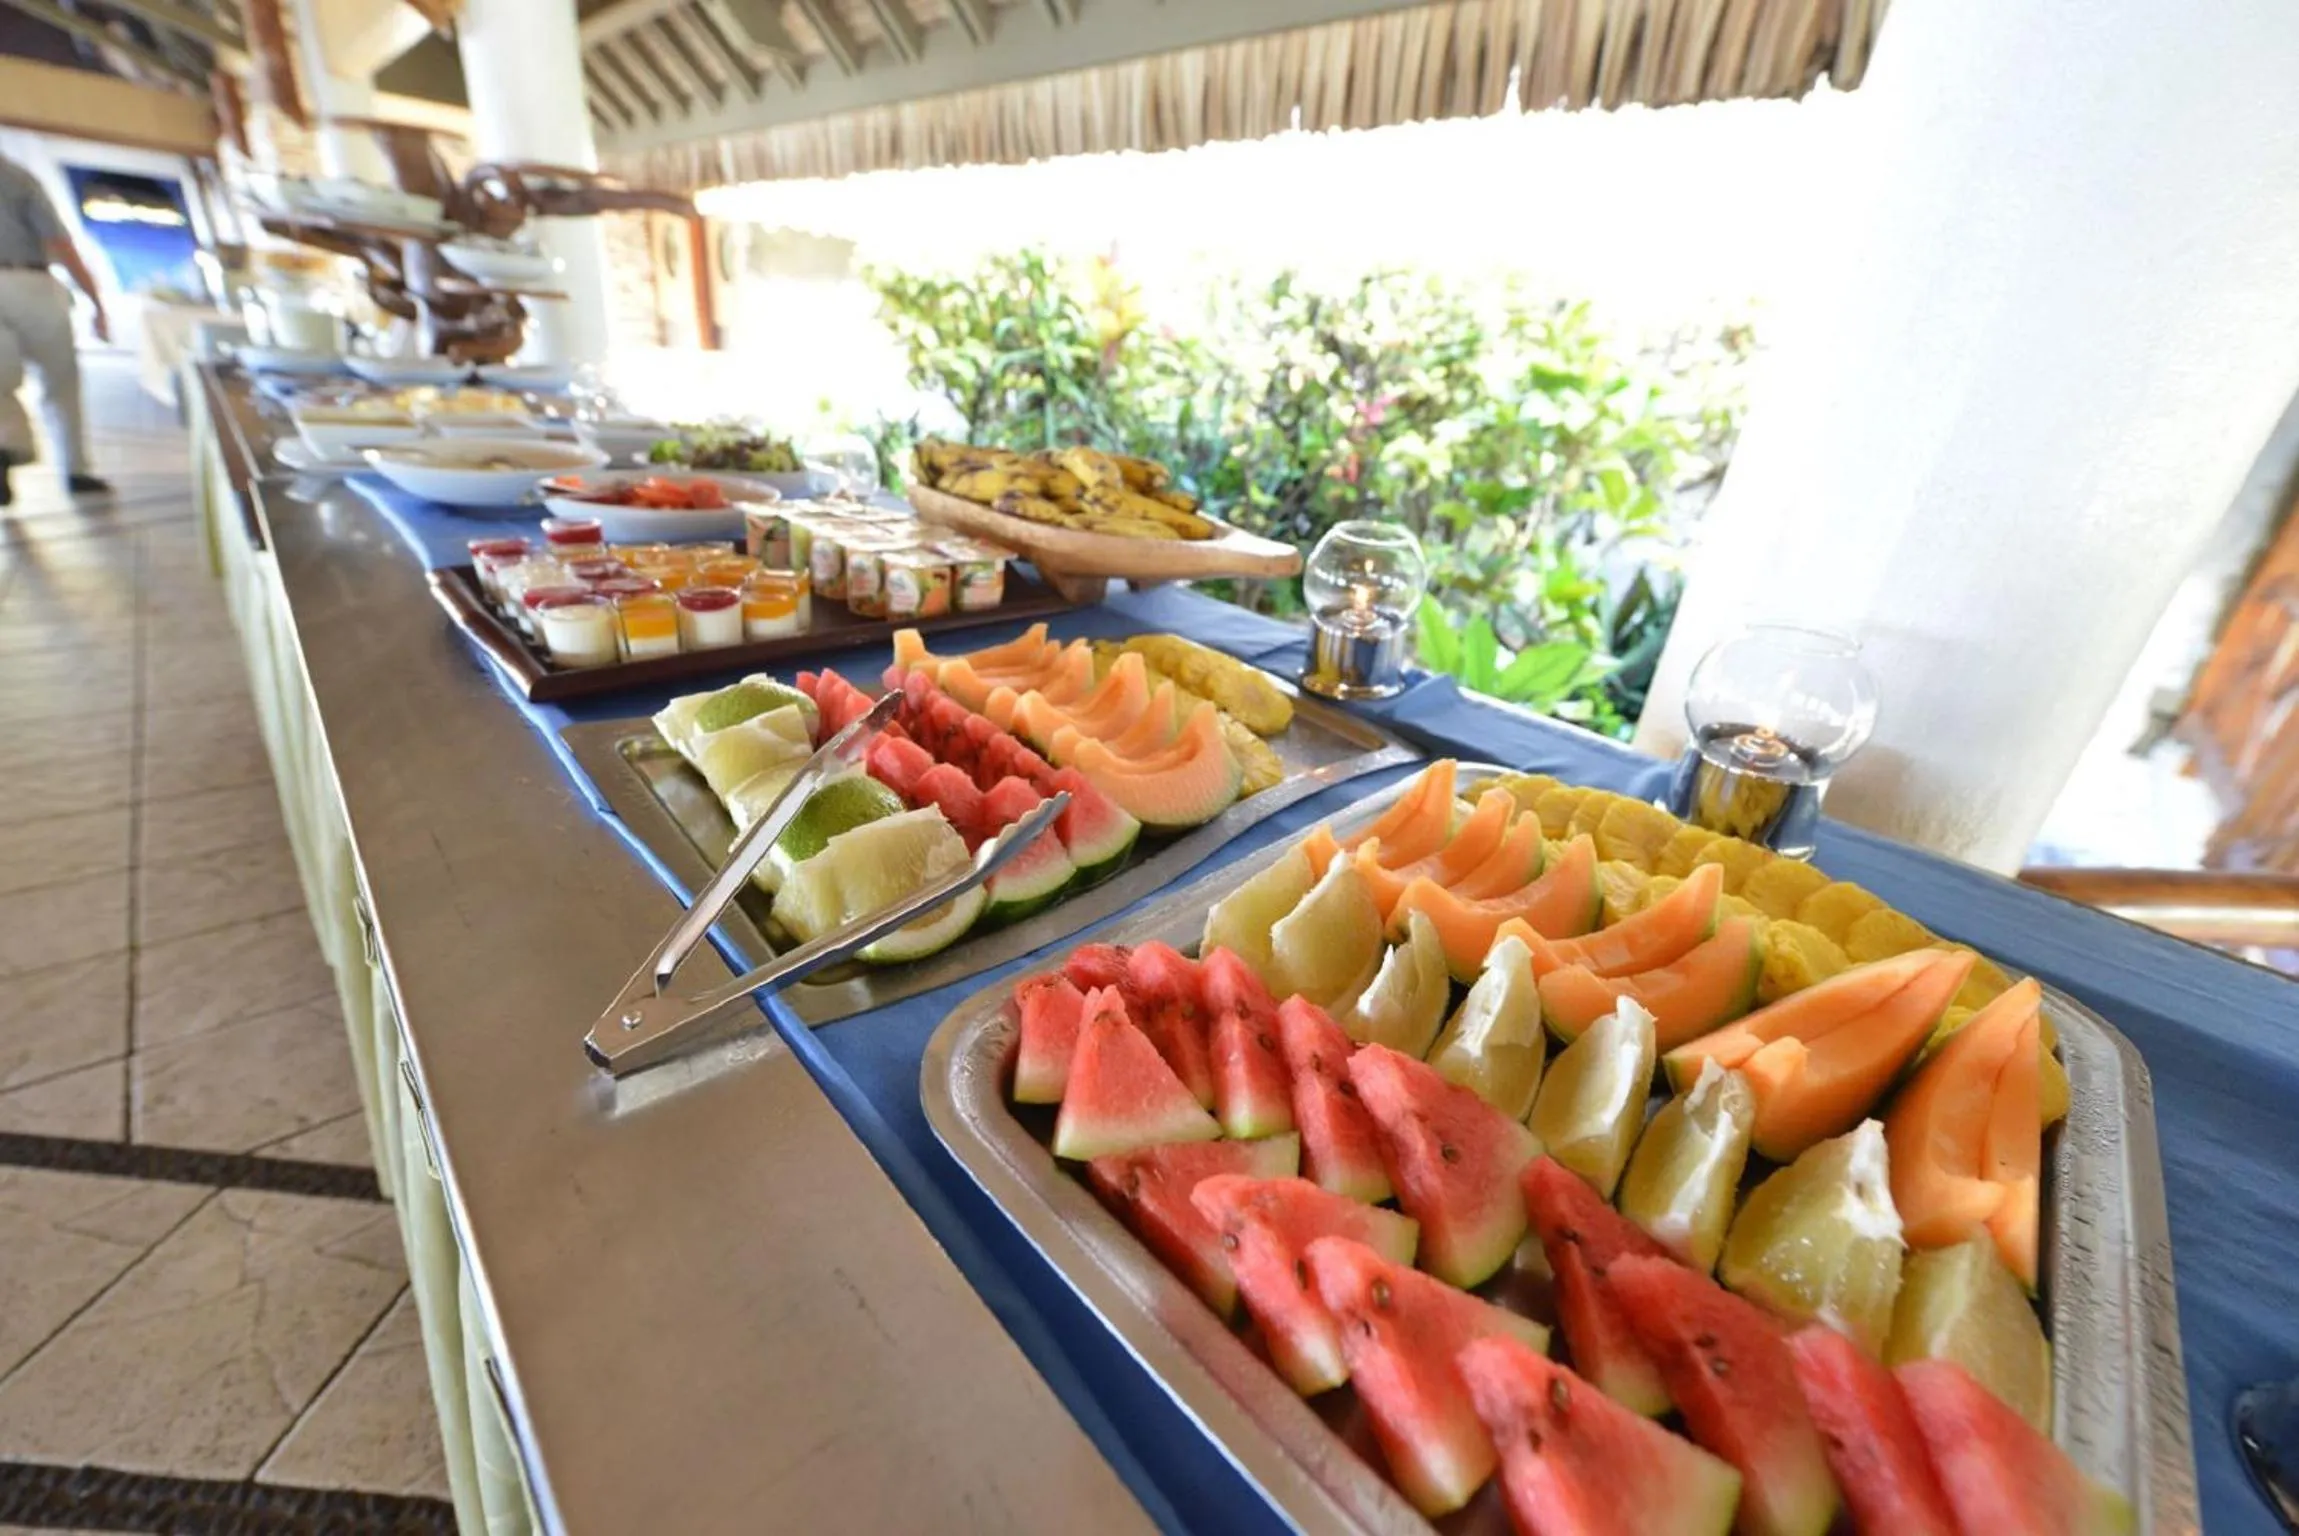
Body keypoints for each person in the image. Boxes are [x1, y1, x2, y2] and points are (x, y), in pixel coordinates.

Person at [0, 154, 110, 506]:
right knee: (60, 382)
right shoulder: (17, 177)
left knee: (0, 383)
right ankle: (75, 471)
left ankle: (5, 450)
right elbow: (60, 243)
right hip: (30, 282)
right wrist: (95, 301)